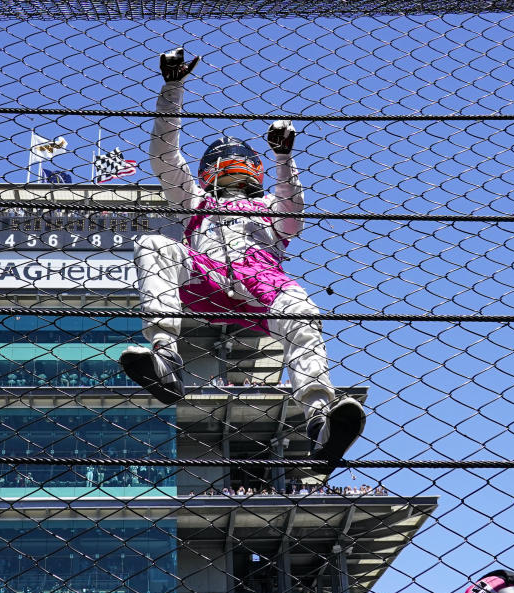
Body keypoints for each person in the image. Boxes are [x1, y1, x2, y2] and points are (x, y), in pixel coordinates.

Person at [118, 47, 365, 466]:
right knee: (152, 244)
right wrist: (172, 88)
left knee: (303, 313)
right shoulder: (195, 200)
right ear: (208, 171)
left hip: (263, 283)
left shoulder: (271, 205)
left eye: (243, 162)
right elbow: (163, 157)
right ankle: (165, 357)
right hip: (205, 277)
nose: (235, 167)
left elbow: (292, 210)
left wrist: (285, 158)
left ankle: (320, 419)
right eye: (226, 162)